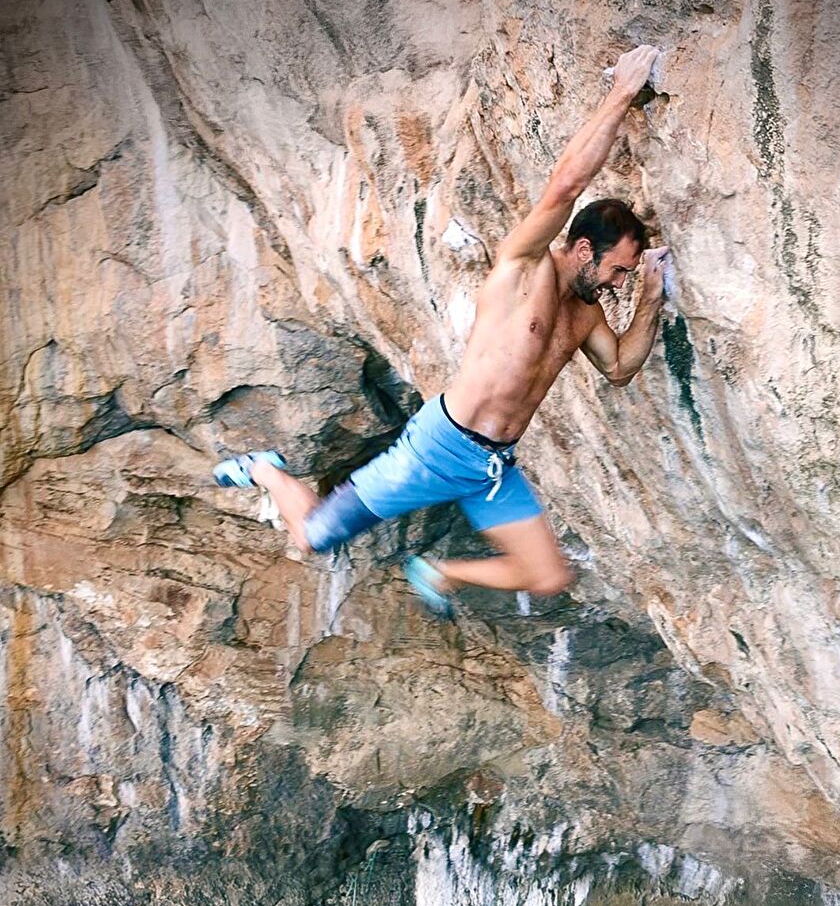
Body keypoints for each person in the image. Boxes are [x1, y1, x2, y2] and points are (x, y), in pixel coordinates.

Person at [215, 44, 670, 617]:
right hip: (437, 451)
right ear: (584, 248)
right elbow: (564, 186)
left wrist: (651, 293)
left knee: (548, 575)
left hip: (492, 464)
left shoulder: (586, 316)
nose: (618, 284)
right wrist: (622, 93)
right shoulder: (523, 267)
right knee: (311, 535)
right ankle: (265, 469)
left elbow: (623, 368)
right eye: (618, 270)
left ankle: (440, 572)